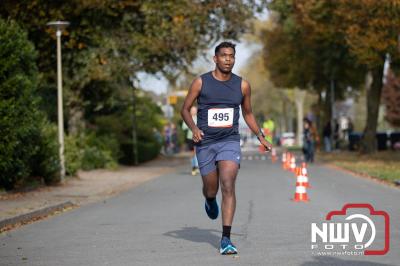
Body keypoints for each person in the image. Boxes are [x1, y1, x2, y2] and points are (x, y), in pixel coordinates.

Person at [181, 41, 272, 255]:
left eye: (231, 56)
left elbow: (248, 113)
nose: (228, 59)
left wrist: (261, 136)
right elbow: (185, 109)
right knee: (211, 188)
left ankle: (226, 239)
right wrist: (193, 128)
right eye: (223, 55)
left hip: (229, 141)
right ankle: (210, 199)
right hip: (205, 142)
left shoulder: (242, 85)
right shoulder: (200, 83)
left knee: (228, 184)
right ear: (215, 58)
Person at [182, 106, 199, 175]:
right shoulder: (188, 118)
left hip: (197, 137)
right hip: (190, 137)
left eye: (194, 110)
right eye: (192, 110)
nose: (193, 111)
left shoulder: (199, 118)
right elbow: (183, 127)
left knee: (196, 152)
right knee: (192, 153)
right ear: (190, 111)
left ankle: (196, 167)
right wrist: (190, 126)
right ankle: (194, 166)